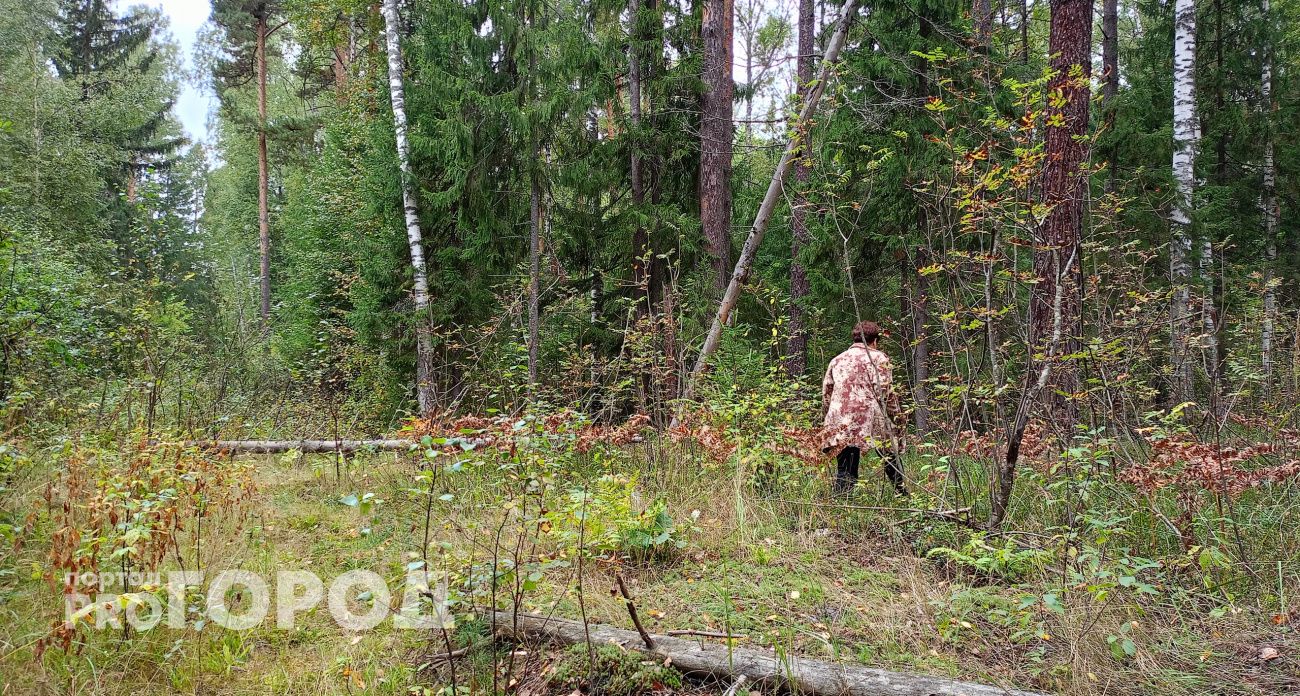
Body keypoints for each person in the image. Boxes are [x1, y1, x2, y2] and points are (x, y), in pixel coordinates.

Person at [821, 320, 907, 496]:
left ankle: (841, 503)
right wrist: (897, 417)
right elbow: (885, 392)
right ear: (874, 340)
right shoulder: (879, 358)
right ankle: (903, 495)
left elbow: (826, 393)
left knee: (845, 466)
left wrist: (828, 418)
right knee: (889, 454)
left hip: (840, 418)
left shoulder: (837, 360)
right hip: (869, 417)